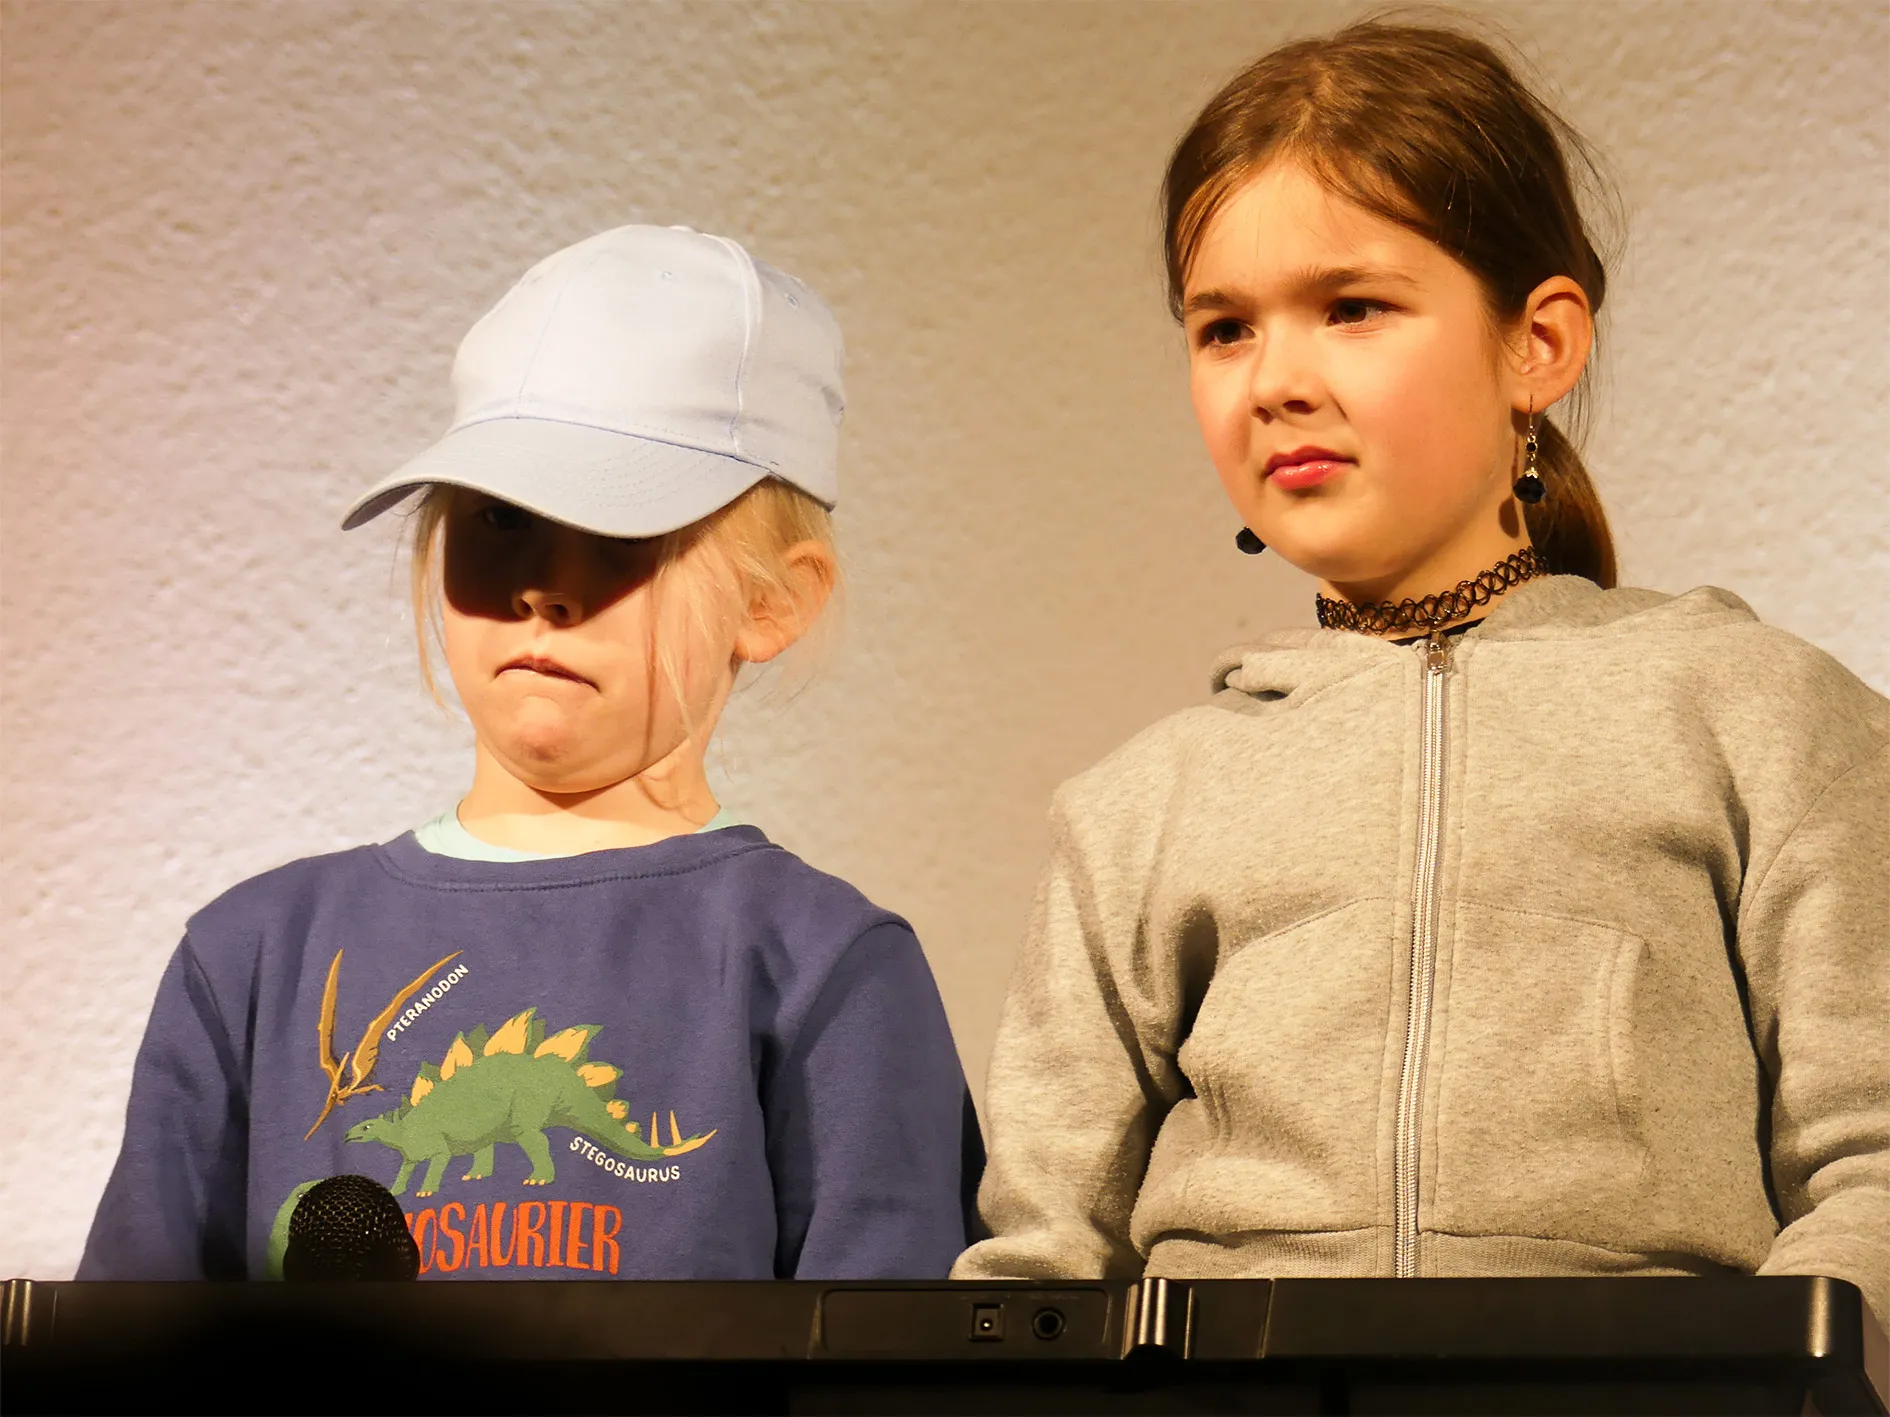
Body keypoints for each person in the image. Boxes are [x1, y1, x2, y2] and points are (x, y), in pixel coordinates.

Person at [952, 19, 1889, 1333]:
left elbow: (1875, 1162)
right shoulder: (1141, 804)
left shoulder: (1756, 715)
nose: (1275, 380)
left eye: (1350, 308)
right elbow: (1040, 1269)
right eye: (1222, 328)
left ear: (1537, 346)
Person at [81, 224, 979, 1282]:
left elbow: (883, 1364)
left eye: (621, 536)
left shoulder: (828, 966)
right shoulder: (252, 954)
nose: (542, 588)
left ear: (772, 601)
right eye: (502, 517)